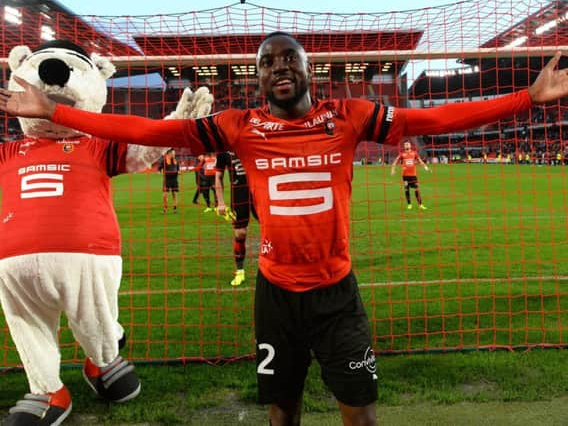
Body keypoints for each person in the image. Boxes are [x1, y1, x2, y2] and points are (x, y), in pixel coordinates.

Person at [1, 32, 567, 426]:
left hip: (338, 293)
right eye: (267, 62)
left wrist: (527, 98)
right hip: (274, 294)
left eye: (287, 59)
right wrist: (61, 113)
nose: (278, 68)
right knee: (281, 408)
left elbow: (433, 118)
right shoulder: (240, 127)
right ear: (259, 74)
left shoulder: (349, 116)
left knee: (360, 409)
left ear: (306, 68)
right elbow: (147, 135)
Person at [214, 150, 256, 286]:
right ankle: (240, 272)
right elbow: (218, 176)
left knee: (272, 230)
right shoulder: (223, 149)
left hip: (259, 191)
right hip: (239, 194)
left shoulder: (252, 139)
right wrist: (220, 202)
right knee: (240, 233)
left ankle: (277, 268)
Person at [390, 140, 430, 210]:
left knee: (417, 189)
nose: (407, 146)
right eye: (405, 145)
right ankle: (409, 204)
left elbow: (420, 161)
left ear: (410, 145)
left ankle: (420, 205)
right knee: (406, 189)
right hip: (405, 175)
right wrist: (393, 170)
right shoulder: (402, 154)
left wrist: (426, 167)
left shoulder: (414, 153)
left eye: (408, 144)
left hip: (413, 175)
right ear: (404, 146)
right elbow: (395, 162)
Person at [157, 148, 180, 214]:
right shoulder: (164, 161)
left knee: (174, 195)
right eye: (173, 153)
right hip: (167, 180)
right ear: (169, 154)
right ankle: (165, 209)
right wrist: (159, 171)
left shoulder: (176, 161)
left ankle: (175, 209)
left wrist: (179, 172)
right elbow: (159, 168)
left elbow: (178, 169)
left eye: (174, 153)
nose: (174, 154)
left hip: (174, 180)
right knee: (165, 195)